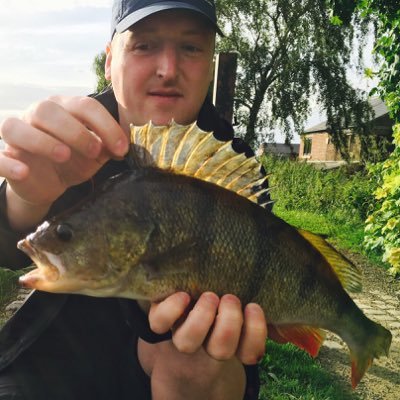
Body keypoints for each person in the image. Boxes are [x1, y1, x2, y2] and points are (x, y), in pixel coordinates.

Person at [0, 1, 268, 399]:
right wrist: (21, 199)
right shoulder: (70, 140)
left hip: (177, 368)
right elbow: (10, 253)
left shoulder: (232, 166)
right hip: (50, 368)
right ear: (110, 61)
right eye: (144, 45)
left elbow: (258, 296)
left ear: (211, 62)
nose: (167, 69)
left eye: (191, 48)